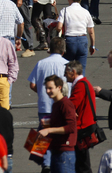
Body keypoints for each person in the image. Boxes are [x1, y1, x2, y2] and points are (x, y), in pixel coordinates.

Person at [28, 37, 69, 172]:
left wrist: (42, 92)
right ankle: (53, 162)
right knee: (59, 135)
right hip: (61, 105)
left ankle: (45, 162)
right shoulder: (67, 65)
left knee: (44, 134)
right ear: (63, 50)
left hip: (44, 105)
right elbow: (70, 88)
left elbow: (32, 84)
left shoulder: (41, 63)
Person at [37, 75, 77, 173]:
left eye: (50, 88)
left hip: (64, 153)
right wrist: (48, 122)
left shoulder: (65, 104)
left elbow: (71, 127)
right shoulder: (56, 104)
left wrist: (48, 130)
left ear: (59, 88)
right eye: (46, 88)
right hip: (56, 150)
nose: (47, 91)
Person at [64, 60, 97, 173]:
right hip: (84, 126)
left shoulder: (80, 85)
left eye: (66, 72)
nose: (64, 75)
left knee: (82, 164)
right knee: (82, 162)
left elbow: (70, 105)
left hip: (81, 128)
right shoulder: (83, 83)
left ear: (73, 72)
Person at [57, 0, 96, 74]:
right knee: (81, 69)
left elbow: (59, 27)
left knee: (67, 68)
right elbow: (91, 31)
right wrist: (92, 45)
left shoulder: (65, 10)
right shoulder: (85, 12)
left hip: (70, 41)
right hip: (82, 40)